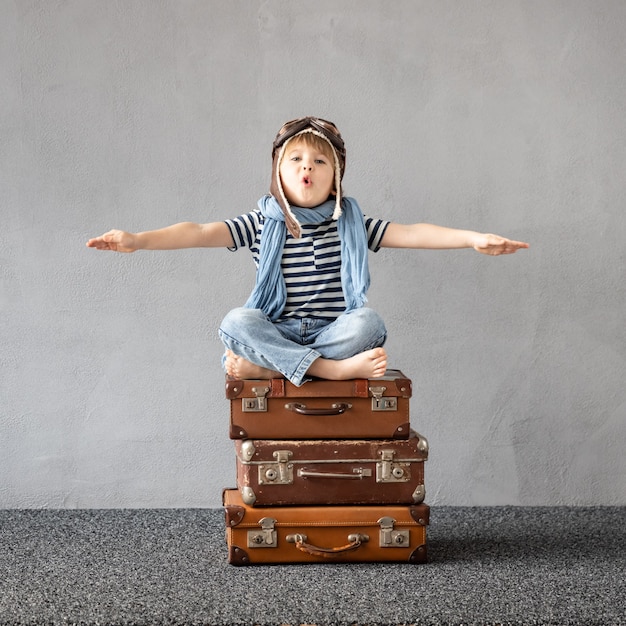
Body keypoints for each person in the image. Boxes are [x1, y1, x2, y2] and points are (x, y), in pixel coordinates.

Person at [87, 116, 529, 386]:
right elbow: (199, 231)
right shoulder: (261, 221)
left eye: (319, 162)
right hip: (276, 331)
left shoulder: (351, 223)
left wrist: (472, 237)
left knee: (369, 323)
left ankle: (274, 370)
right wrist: (138, 239)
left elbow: (413, 232)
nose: (306, 168)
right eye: (295, 159)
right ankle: (330, 372)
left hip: (332, 334)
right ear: (278, 171)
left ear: (335, 175)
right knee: (236, 322)